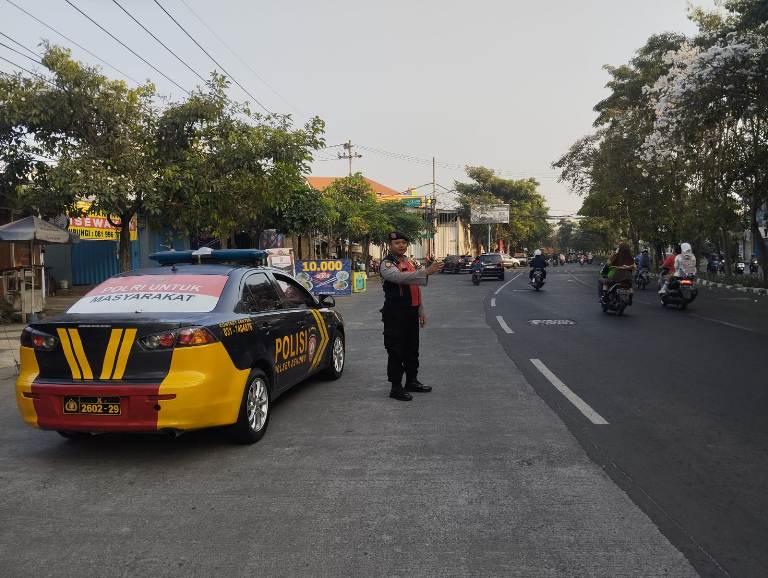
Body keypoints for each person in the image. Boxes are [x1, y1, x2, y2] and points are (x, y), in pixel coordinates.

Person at [380, 232, 443, 401]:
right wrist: (426, 271)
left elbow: (415, 287)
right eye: (397, 243)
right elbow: (398, 278)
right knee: (396, 350)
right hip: (395, 314)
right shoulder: (387, 263)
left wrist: (421, 311)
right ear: (390, 245)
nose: (401, 245)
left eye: (404, 242)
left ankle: (411, 381)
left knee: (412, 349)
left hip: (411, 312)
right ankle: (396, 387)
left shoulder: (408, 262)